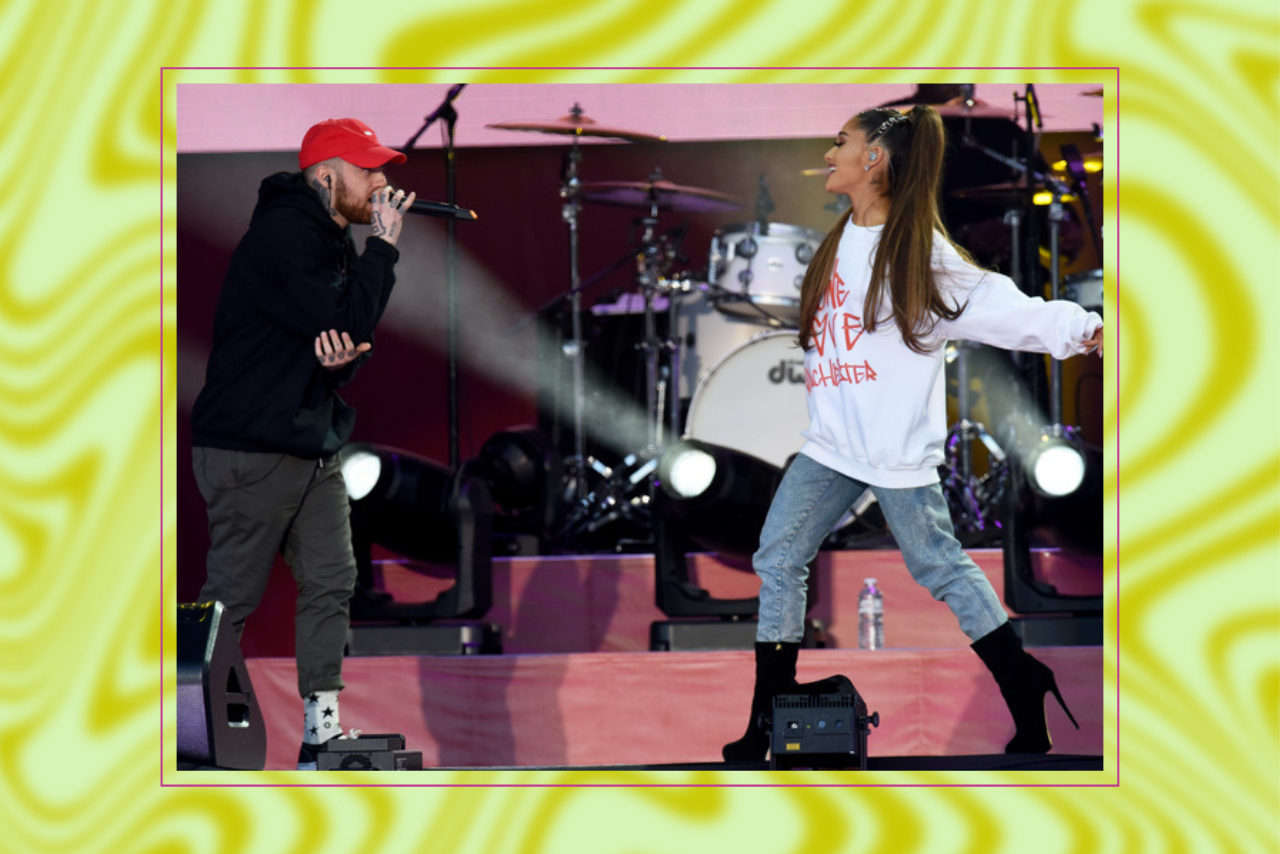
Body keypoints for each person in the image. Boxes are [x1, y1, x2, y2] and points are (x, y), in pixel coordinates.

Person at [722, 104, 1104, 762]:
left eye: (842, 141)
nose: (831, 149)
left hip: (895, 455)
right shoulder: (842, 236)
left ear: (874, 159)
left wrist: (1083, 327)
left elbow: (1001, 306)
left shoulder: (920, 253)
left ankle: (1023, 681)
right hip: (832, 448)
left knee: (942, 569)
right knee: (778, 556)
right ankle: (767, 718)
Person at [190, 118, 417, 770]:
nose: (381, 183)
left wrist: (341, 356)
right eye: (368, 170)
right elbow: (344, 320)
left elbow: (344, 342)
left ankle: (321, 728)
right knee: (231, 596)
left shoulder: (330, 239)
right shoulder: (287, 235)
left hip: (309, 441)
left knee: (332, 579)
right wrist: (386, 249)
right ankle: (189, 732)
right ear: (327, 175)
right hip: (252, 445)